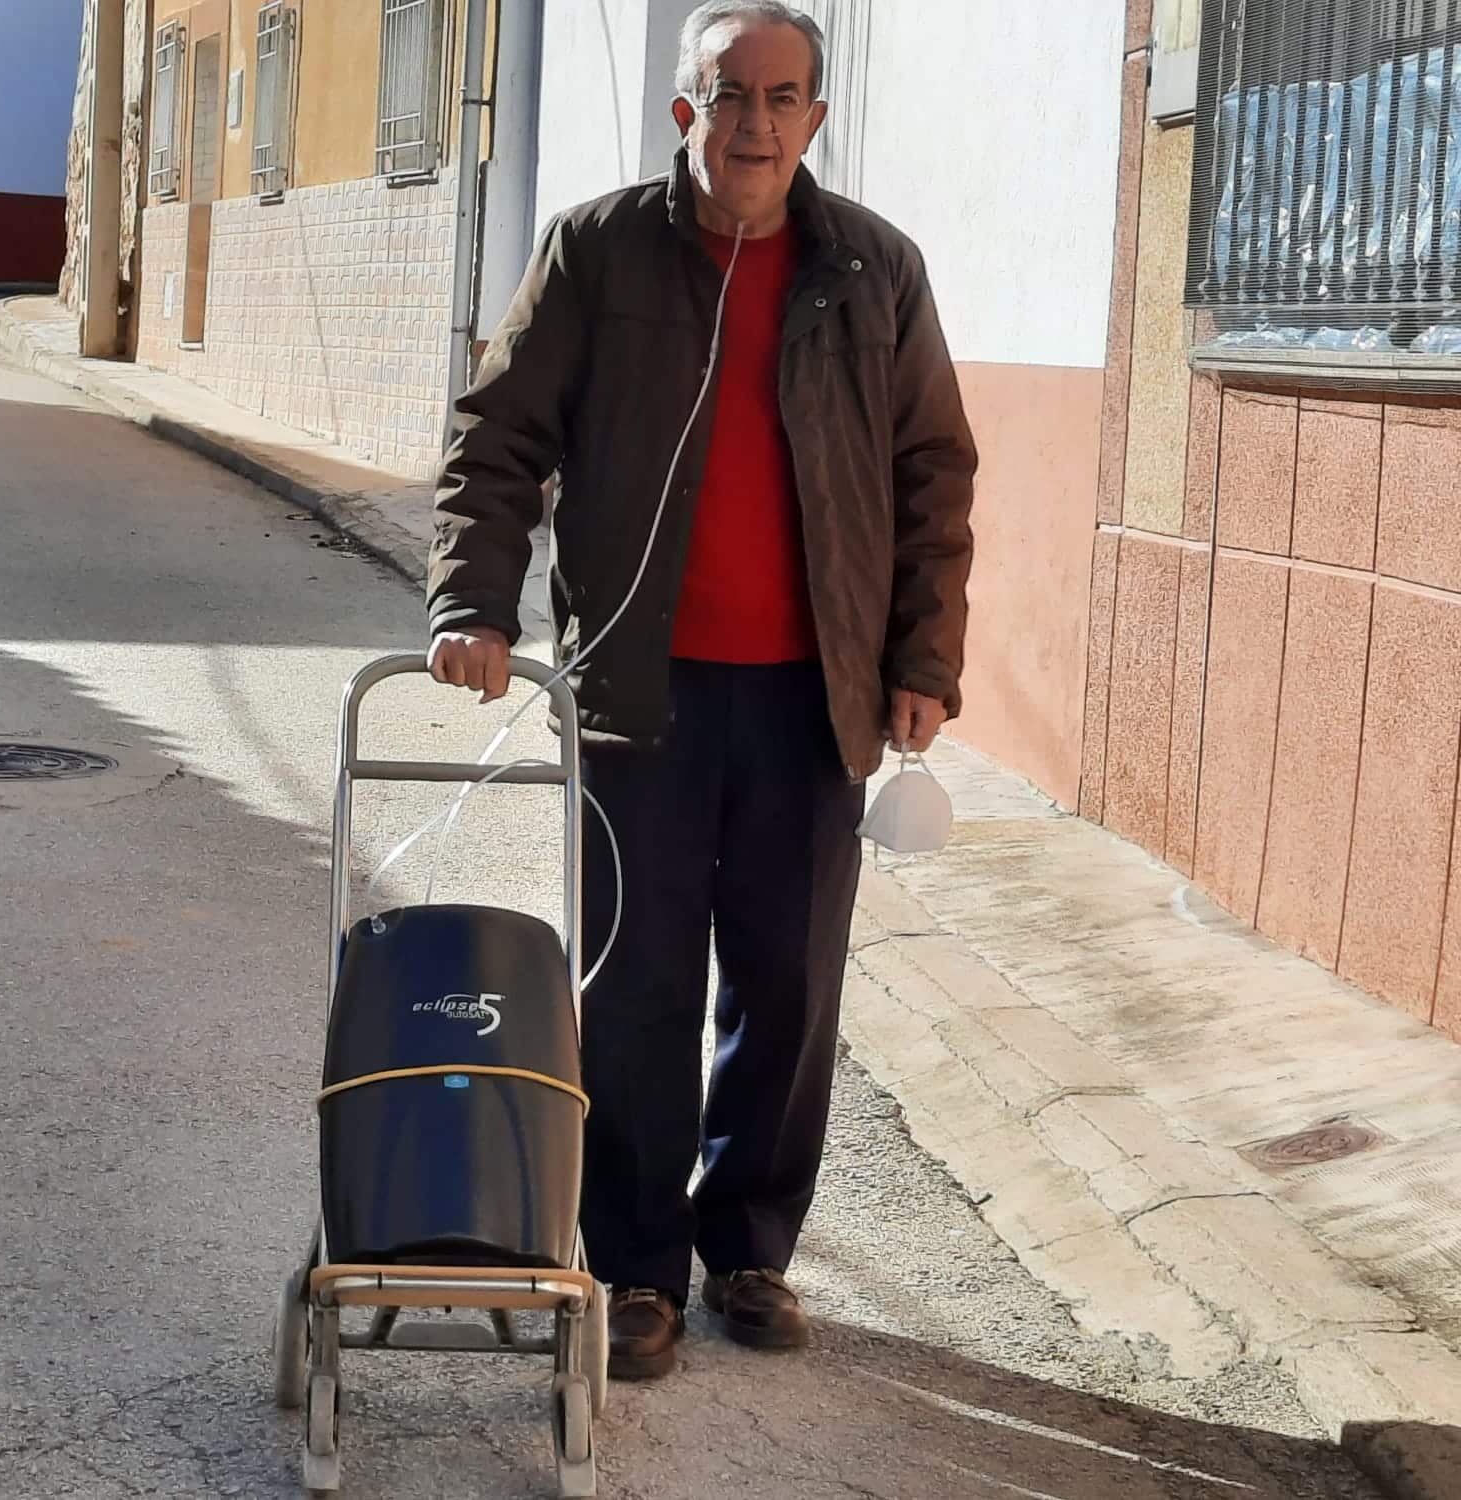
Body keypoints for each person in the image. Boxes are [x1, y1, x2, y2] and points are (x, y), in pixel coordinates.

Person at [422, 0, 977, 1380]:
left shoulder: (873, 271)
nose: (754, 123)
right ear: (689, 107)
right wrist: (473, 602)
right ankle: (634, 1266)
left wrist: (922, 660)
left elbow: (933, 476)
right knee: (642, 986)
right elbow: (500, 435)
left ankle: (749, 1249)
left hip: (812, 702)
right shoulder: (599, 249)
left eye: (783, 98)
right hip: (639, 691)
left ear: (815, 120)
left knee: (788, 988)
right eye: (730, 94)